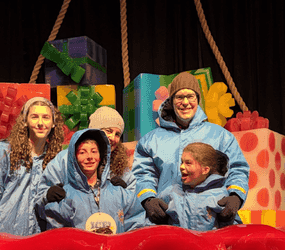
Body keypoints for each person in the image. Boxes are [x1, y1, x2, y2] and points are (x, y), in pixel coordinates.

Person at [132, 72, 250, 226]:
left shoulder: (221, 136)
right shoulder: (150, 141)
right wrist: (148, 199)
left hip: (212, 223)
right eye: (179, 97)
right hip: (168, 223)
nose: (185, 102)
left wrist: (235, 196)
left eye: (190, 96)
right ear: (171, 100)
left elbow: (238, 169)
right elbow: (142, 175)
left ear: (198, 99)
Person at [0, 97, 65, 235]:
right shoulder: (5, 154)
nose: (40, 123)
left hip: (42, 241)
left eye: (46, 117)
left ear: (53, 123)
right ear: (25, 121)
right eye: (34, 117)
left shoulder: (57, 161)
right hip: (7, 239)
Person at [38, 128, 143, 234]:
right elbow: (57, 235)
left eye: (94, 151)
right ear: (74, 157)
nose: (89, 157)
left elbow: (137, 226)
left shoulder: (121, 194)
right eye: (82, 152)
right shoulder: (65, 198)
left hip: (116, 245)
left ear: (101, 156)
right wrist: (46, 198)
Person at [149, 142, 238, 230]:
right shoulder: (172, 192)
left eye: (188, 163)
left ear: (205, 170)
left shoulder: (219, 195)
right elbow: (149, 222)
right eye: (182, 162)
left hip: (208, 239)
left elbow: (234, 230)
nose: (181, 167)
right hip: (176, 239)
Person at [87, 107, 133, 188]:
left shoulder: (121, 166)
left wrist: (123, 192)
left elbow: (133, 190)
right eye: (108, 131)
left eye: (117, 134)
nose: (112, 137)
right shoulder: (70, 160)